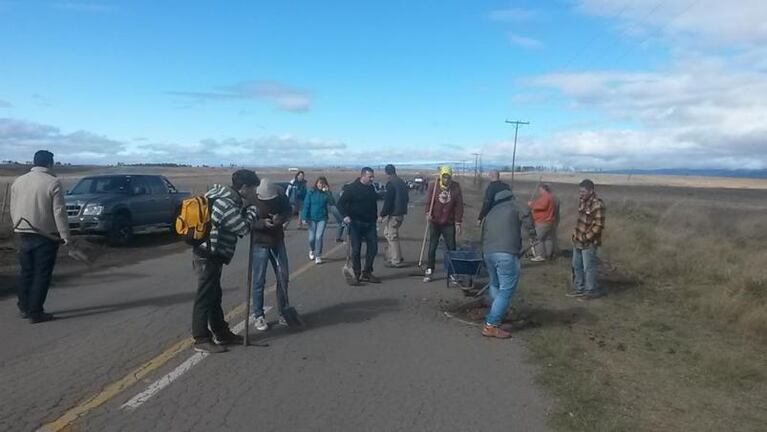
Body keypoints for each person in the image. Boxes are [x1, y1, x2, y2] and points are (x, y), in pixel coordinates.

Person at [191, 169, 260, 353]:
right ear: (244, 188)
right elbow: (243, 228)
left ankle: (221, 333)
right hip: (209, 254)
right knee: (205, 296)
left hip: (209, 252)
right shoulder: (226, 203)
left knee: (214, 295)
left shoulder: (218, 194)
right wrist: (253, 210)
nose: (254, 193)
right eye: (253, 189)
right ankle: (201, 338)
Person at [10, 150, 70, 324]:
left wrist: (16, 226)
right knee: (41, 274)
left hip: (22, 232)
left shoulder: (18, 181)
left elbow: (14, 207)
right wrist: (66, 236)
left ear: (34, 162)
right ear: (50, 163)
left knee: (25, 272)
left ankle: (24, 307)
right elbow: (59, 212)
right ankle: (35, 312)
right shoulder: (53, 182)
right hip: (45, 235)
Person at [480, 189, 534, 338]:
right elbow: (527, 215)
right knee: (506, 290)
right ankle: (491, 325)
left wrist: (483, 253)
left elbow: (482, 232)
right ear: (511, 196)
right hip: (506, 254)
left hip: (488, 253)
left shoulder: (491, 211)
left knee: (495, 284)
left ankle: (497, 315)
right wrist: (533, 234)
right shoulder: (515, 205)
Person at [249, 178, 292, 332]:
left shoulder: (280, 194)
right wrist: (261, 223)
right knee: (259, 280)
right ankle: (258, 315)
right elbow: (245, 221)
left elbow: (288, 210)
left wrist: (280, 218)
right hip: (259, 242)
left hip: (277, 240)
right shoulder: (251, 198)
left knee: (283, 276)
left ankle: (283, 311)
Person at [337, 167, 381, 285]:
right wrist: (345, 216)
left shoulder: (371, 188)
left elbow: (374, 203)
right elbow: (340, 203)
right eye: (370, 177)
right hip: (355, 223)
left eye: (373, 176)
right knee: (356, 250)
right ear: (363, 176)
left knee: (373, 248)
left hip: (370, 223)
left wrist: (377, 217)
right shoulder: (351, 188)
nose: (372, 179)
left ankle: (367, 272)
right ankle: (356, 273)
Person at [423, 165, 464, 282]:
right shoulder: (433, 185)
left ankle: (452, 272)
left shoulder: (455, 187)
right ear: (441, 177)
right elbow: (428, 202)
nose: (446, 180)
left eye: (448, 177)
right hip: (435, 222)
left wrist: (458, 222)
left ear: (451, 177)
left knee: (451, 248)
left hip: (449, 223)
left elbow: (459, 206)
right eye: (444, 177)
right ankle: (430, 269)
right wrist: (427, 213)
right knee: (432, 247)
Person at [569, 179, 606, 299]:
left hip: (589, 242)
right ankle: (579, 288)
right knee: (576, 265)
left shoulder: (598, 204)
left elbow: (599, 225)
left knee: (588, 267)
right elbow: (580, 220)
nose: (581, 193)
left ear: (591, 190)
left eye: (583, 191)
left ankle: (591, 290)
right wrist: (575, 234)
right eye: (580, 191)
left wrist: (586, 237)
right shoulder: (582, 201)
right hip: (577, 240)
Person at [379, 164, 409, 268]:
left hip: (395, 213)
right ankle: (391, 256)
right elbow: (407, 198)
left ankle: (396, 260)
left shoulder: (391, 184)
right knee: (387, 233)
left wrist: (382, 215)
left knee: (392, 236)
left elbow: (388, 201)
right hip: (401, 212)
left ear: (387, 173)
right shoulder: (401, 182)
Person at [302, 176, 334, 264]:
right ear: (316, 184)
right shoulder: (311, 192)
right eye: (319, 183)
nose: (321, 185)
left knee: (318, 237)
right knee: (311, 238)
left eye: (323, 183)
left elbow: (332, 202)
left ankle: (318, 255)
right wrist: (304, 217)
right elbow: (306, 205)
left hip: (322, 218)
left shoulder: (326, 193)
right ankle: (311, 250)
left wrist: (328, 192)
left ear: (325, 185)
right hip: (311, 219)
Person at [528, 184, 558, 261]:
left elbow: (542, 206)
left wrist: (531, 205)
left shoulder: (545, 197)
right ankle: (548, 254)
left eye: (540, 190)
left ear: (543, 189)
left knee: (537, 238)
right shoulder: (551, 197)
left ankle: (540, 255)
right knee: (547, 239)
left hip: (542, 221)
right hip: (549, 221)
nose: (539, 191)